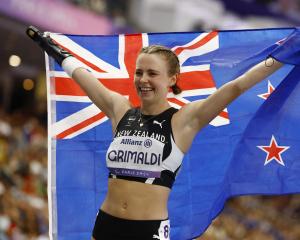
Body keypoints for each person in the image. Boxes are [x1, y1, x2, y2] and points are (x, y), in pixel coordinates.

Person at [26, 26, 297, 240]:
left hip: (149, 231)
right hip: (106, 224)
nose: (143, 80)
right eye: (139, 72)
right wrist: (51, 48)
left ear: (171, 79)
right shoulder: (120, 109)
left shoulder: (185, 120)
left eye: (152, 73)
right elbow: (84, 77)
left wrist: (282, 56)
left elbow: (235, 88)